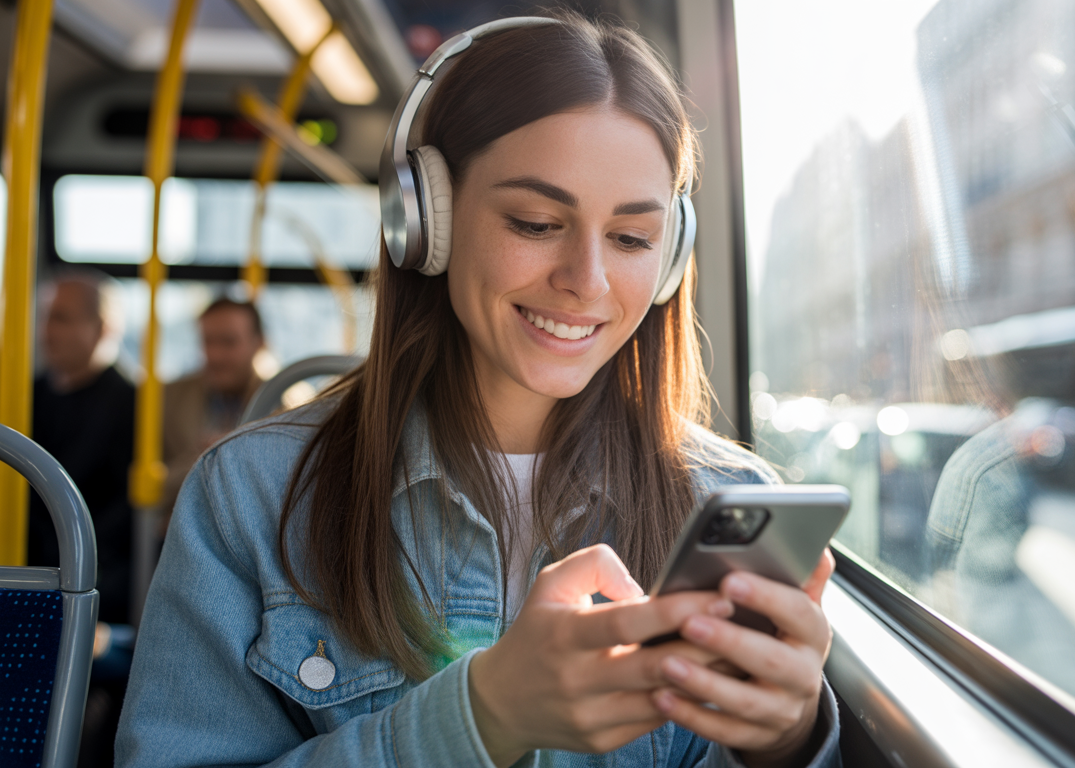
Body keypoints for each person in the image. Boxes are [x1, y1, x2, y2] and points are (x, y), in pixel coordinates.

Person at [117, 13, 839, 768]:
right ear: (425, 219)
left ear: (668, 259)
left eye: (630, 239)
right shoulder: (250, 498)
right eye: (535, 222)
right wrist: (476, 719)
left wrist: (786, 744)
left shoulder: (723, 500)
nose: (587, 282)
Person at [28, 270, 136, 768]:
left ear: (102, 328)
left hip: (101, 590)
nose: (49, 331)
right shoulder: (26, 396)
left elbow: (124, 524)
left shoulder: (133, 405)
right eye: (48, 317)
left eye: (63, 318)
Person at [161, 297, 266, 514]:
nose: (215, 355)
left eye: (228, 342)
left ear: (259, 344)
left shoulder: (286, 405)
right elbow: (151, 483)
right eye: (208, 342)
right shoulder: (169, 398)